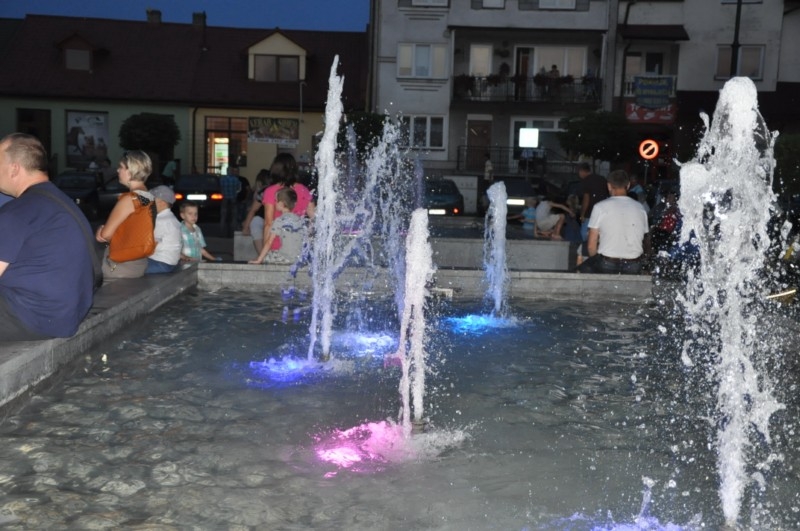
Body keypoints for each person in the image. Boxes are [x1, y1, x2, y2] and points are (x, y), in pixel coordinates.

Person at [0, 133, 94, 340]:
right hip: (65, 315)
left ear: (14, 169)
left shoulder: (18, 211)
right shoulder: (61, 202)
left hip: (30, 314)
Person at [95, 150, 156, 279]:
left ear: (131, 171)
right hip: (139, 263)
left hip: (119, 267)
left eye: (121, 167)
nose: (118, 170)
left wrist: (101, 229)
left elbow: (105, 235)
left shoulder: (130, 199)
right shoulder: (148, 196)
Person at [581, 169, 650, 274]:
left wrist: (594, 260)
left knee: (584, 267)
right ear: (628, 185)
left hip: (607, 262)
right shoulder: (640, 208)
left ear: (609, 186)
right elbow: (646, 240)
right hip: (634, 263)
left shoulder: (600, 207)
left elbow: (591, 246)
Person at [259, 153, 315, 254]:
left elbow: (268, 223)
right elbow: (314, 218)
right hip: (298, 247)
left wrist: (264, 250)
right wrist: (307, 236)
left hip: (277, 246)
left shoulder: (271, 191)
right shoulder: (304, 190)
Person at [249, 188, 307, 265]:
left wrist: (259, 259)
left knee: (267, 255)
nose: (274, 203)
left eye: (276, 200)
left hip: (285, 258)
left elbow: (269, 242)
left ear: (281, 204)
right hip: (299, 259)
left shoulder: (279, 220)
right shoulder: (299, 220)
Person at [145, 185, 182, 275]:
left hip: (160, 262)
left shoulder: (161, 221)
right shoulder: (171, 218)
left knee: (132, 268)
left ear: (162, 203)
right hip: (170, 262)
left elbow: (152, 245)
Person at [577, 162, 609, 241]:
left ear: (582, 171)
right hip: (603, 211)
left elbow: (586, 199)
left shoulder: (586, 181)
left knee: (584, 234)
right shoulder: (602, 179)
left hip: (590, 213)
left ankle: (587, 248)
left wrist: (582, 215)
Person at [240, 169, 271, 253]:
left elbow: (253, 210)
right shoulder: (263, 192)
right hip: (265, 218)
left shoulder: (263, 192)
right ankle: (262, 254)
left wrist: (246, 226)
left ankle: (261, 253)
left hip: (262, 218)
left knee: (255, 223)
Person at [219, 166, 242, 237]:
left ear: (226, 171)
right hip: (233, 199)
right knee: (234, 216)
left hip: (225, 199)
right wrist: (235, 192)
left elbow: (220, 188)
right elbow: (239, 189)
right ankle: (232, 233)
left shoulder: (222, 179)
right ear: (232, 171)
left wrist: (223, 192)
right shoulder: (236, 179)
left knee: (223, 216)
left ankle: (222, 233)